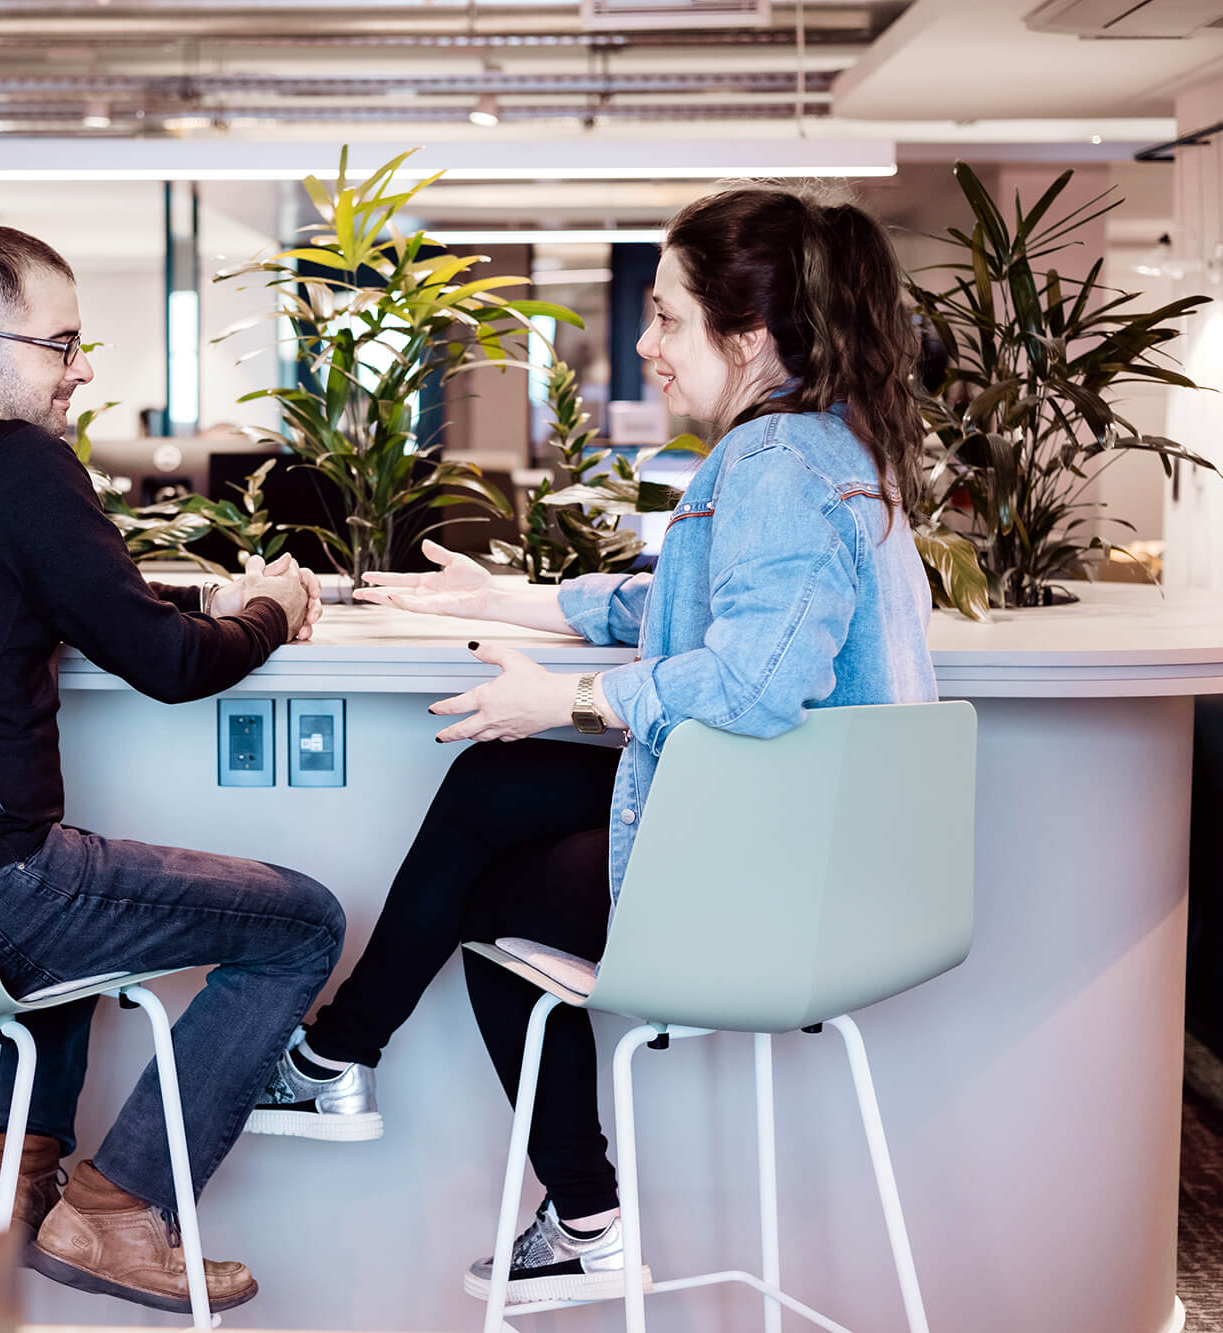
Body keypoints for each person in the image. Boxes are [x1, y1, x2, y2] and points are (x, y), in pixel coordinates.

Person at [243, 187, 939, 1304]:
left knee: (495, 889)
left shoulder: (772, 467)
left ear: (747, 335)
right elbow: (680, 609)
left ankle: (532, 1184)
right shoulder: (816, 449)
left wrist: (569, 697)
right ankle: (347, 1068)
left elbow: (757, 684)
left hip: (783, 887)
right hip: (817, 860)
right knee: (496, 783)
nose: (647, 346)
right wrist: (509, 602)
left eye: (665, 318)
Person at [0, 225, 344, 1316]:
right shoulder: (17, 464)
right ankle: (119, 1209)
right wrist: (271, 612)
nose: (83, 369)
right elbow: (173, 668)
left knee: (83, 906)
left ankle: (18, 1176)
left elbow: (72, 600)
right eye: (62, 344)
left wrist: (202, 609)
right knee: (304, 922)